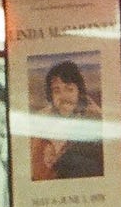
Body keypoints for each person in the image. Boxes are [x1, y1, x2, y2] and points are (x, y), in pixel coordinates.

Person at [29, 53, 105, 182]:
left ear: (79, 93)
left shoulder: (95, 127)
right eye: (57, 91)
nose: (63, 96)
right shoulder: (40, 128)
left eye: (69, 89)